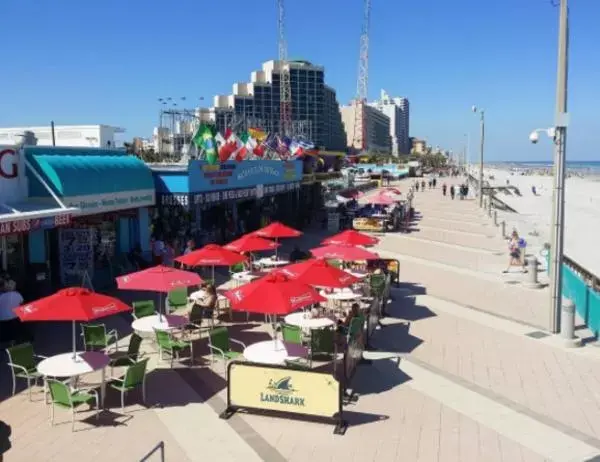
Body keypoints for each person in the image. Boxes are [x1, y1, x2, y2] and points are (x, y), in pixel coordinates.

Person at [0, 280, 27, 346]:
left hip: (2, 320)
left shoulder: (1, 296)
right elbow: (22, 306)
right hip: (14, 319)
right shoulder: (18, 295)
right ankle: (15, 342)